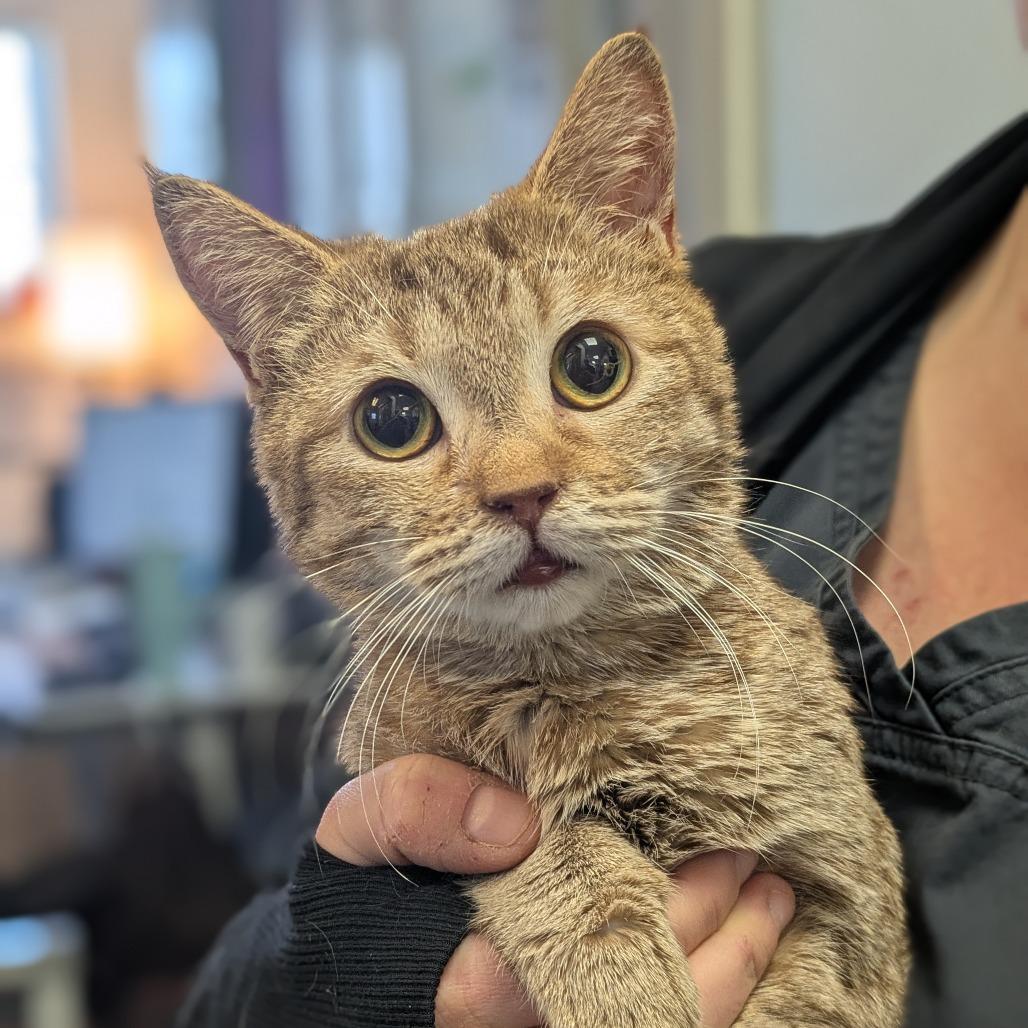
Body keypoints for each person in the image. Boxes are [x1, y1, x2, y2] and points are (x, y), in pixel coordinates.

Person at [176, 113, 1028, 1028]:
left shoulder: (754, 658)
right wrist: (363, 971)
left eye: (589, 368)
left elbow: (849, 933)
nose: (518, 483)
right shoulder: (785, 303)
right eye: (395, 421)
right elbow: (229, 995)